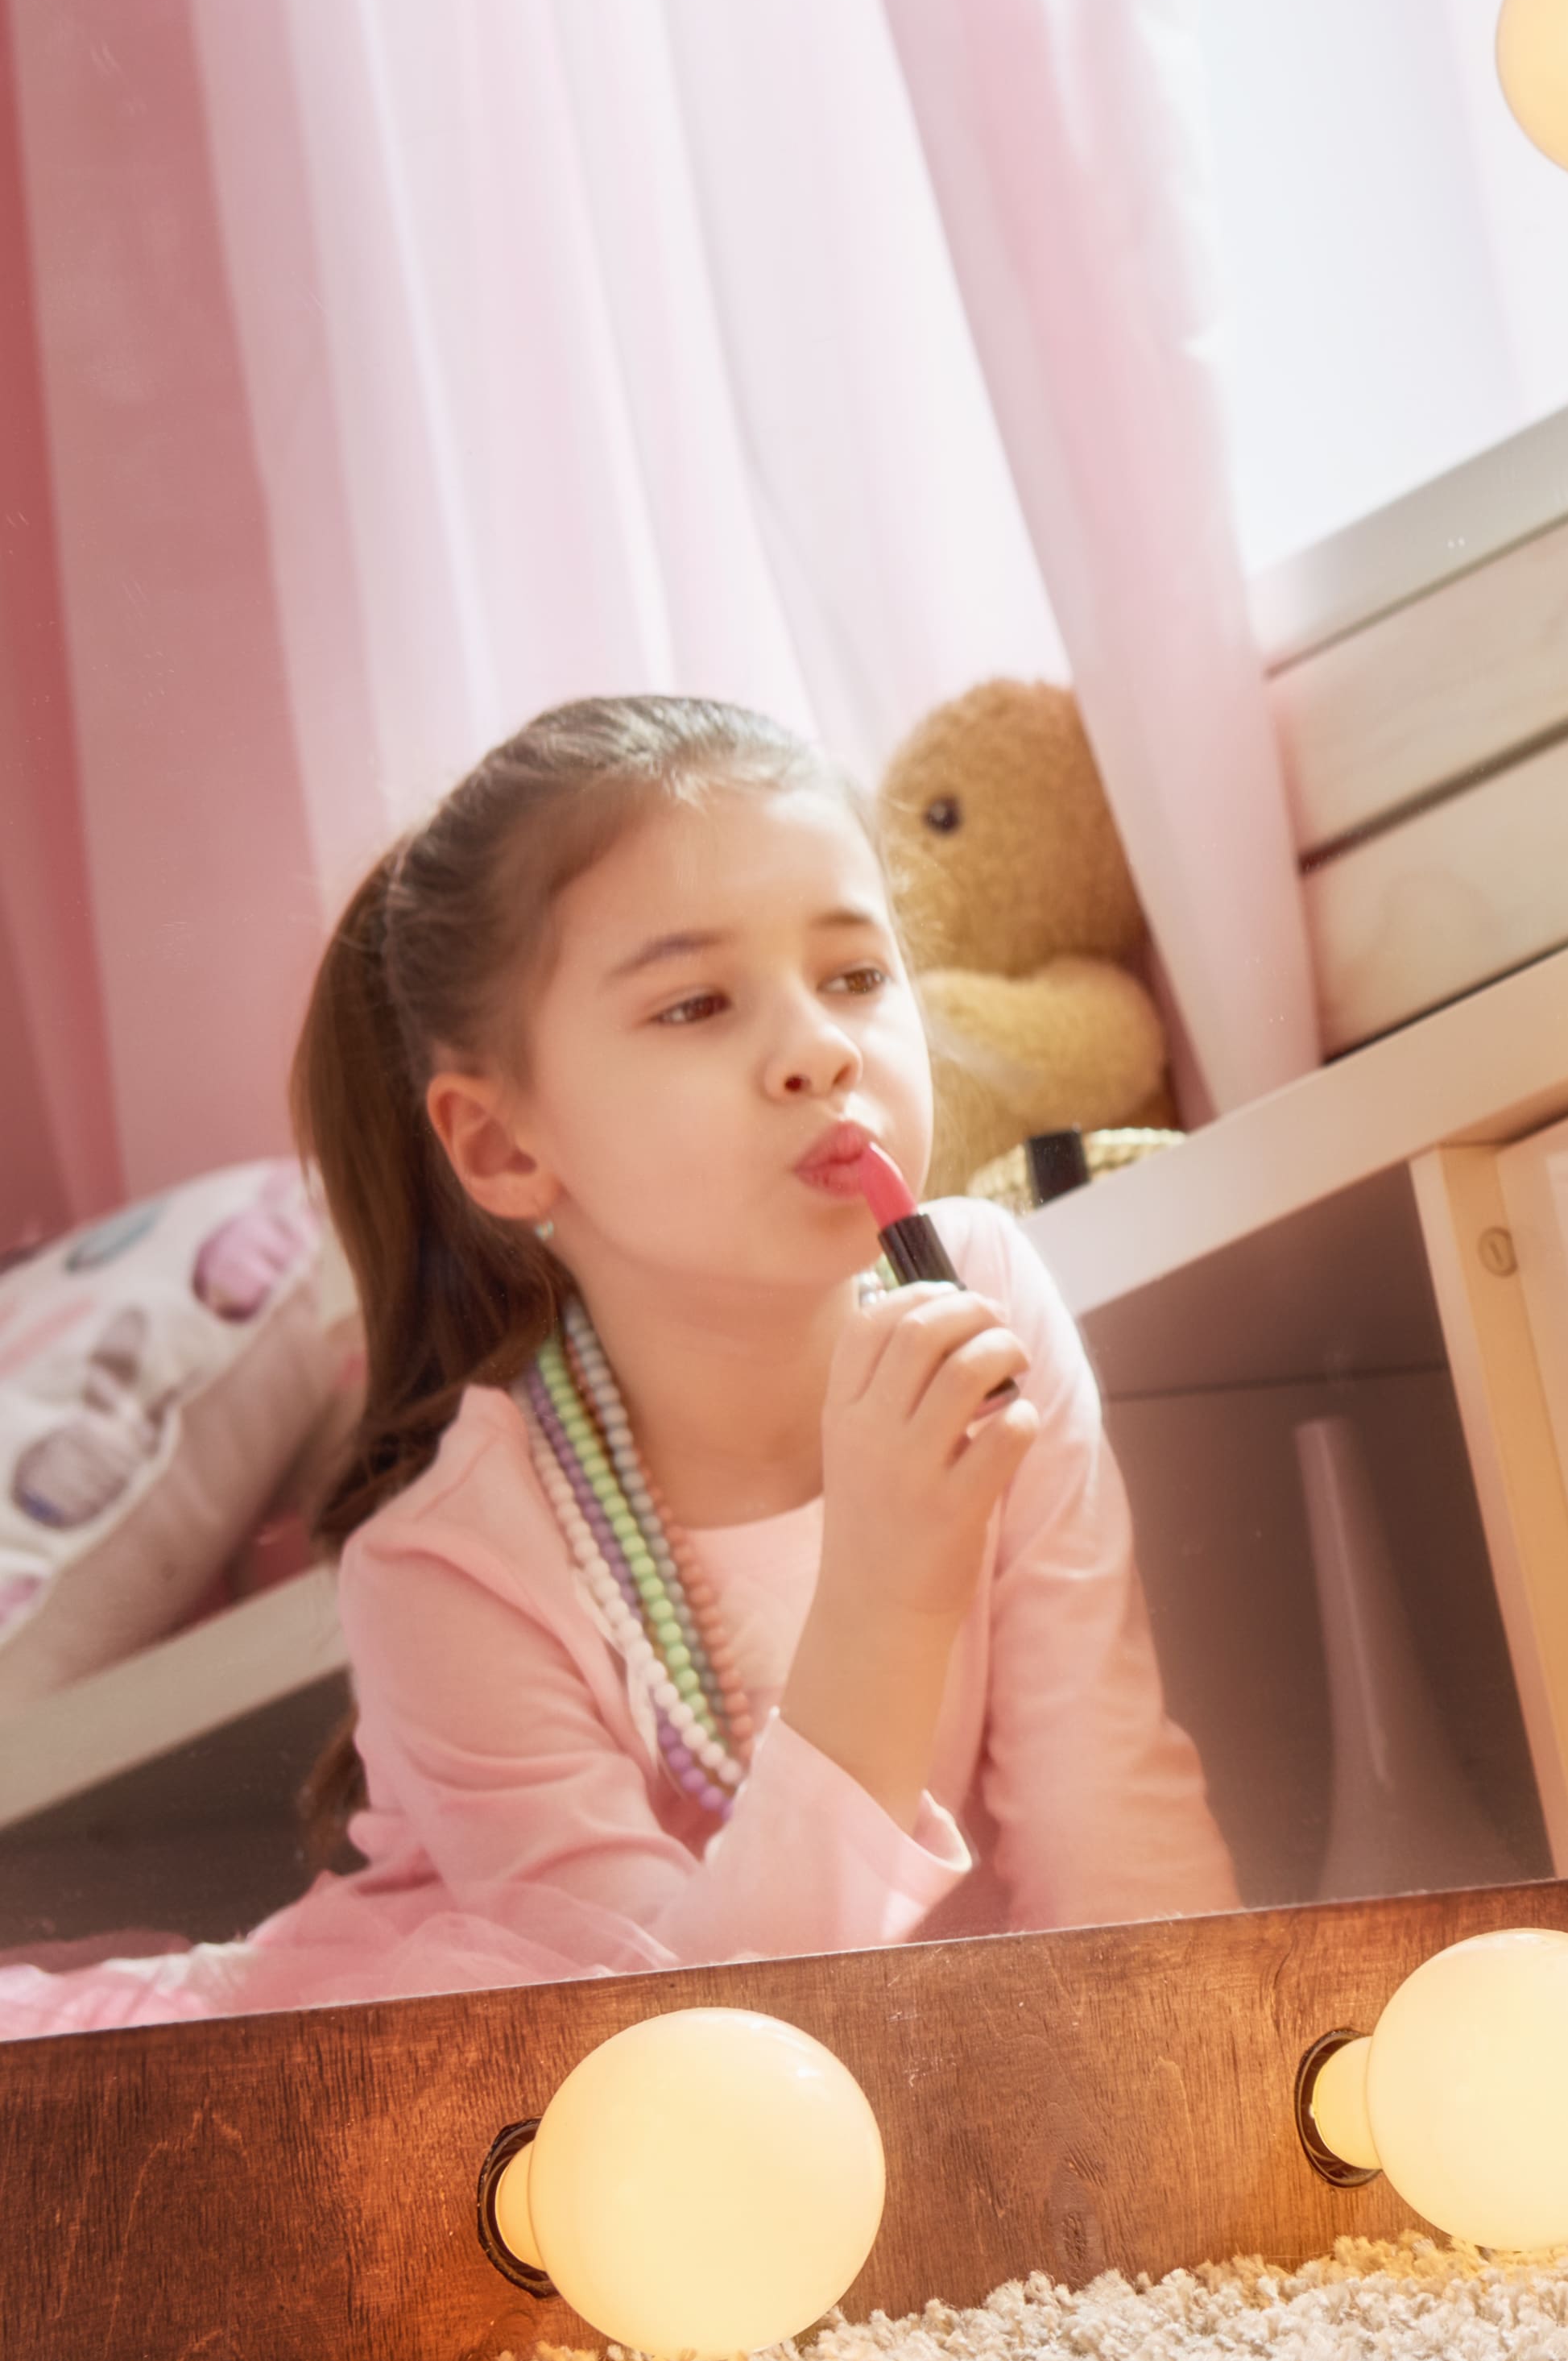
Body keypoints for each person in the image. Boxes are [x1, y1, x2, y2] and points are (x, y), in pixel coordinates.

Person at [0, 696, 1235, 2034]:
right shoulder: (444, 1571)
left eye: (856, 976)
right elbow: (666, 2052)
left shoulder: (980, 1291)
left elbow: (1105, 1804)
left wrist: (1188, 2091)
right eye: (695, 1003)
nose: (822, 1048)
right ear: (502, 1150)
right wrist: (885, 1593)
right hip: (542, 2110)